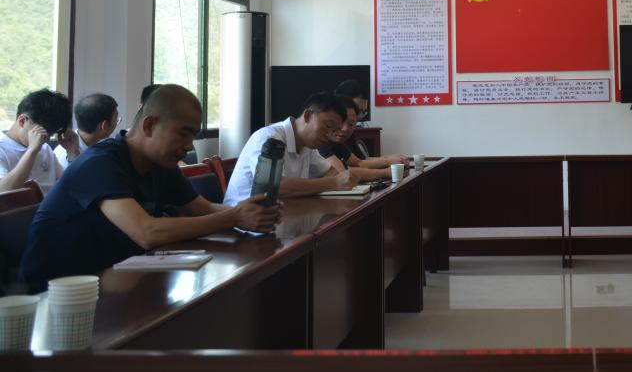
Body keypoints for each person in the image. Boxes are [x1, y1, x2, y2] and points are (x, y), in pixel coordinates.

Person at [18, 85, 279, 292]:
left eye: (193, 136)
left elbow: (203, 209)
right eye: (183, 133)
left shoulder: (161, 164)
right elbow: (145, 232)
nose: (189, 146)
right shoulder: (100, 163)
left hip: (115, 276)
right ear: (149, 125)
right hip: (57, 292)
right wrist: (234, 217)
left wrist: (252, 213)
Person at [224, 92, 358, 206]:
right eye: (327, 126)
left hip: (283, 213)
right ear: (307, 115)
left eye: (333, 131)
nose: (329, 136)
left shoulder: (308, 145)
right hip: (243, 219)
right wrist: (332, 183)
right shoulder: (270, 138)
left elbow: (331, 171)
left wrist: (325, 183)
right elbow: (274, 187)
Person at [0, 89, 70, 193]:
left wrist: (72, 153)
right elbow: (3, 192)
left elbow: (69, 186)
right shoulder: (2, 150)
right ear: (22, 121)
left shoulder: (45, 148)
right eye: (44, 130)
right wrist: (32, 151)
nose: (47, 138)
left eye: (52, 132)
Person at [320, 103, 402, 181]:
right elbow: (343, 172)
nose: (345, 129)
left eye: (351, 124)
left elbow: (358, 162)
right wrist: (385, 171)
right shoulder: (320, 141)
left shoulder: (337, 141)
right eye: (342, 122)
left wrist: (389, 161)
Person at [54, 92, 120, 169]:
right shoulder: (66, 156)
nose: (117, 121)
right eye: (116, 118)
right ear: (104, 126)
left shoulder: (95, 146)